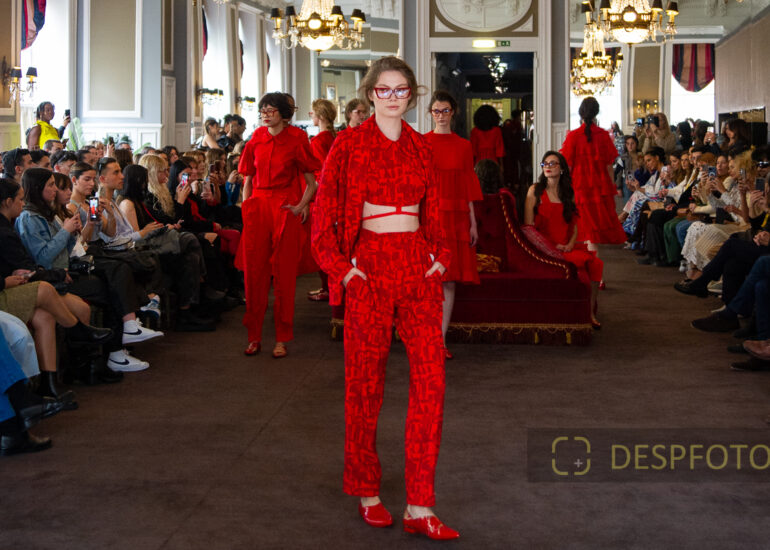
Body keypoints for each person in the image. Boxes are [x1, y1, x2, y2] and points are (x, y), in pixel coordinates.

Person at [312, 55, 459, 540]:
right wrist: (343, 271)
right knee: (364, 385)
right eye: (384, 89)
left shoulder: (420, 146)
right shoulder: (348, 145)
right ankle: (367, 491)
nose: (393, 97)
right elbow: (323, 216)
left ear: (412, 95)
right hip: (369, 268)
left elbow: (435, 210)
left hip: (417, 266)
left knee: (432, 384)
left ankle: (421, 503)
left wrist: (439, 257)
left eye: (401, 90)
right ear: (370, 93)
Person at [236, 93, 320, 358]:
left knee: (284, 276)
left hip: (284, 209)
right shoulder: (255, 139)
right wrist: (247, 208)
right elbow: (248, 179)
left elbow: (312, 182)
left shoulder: (297, 139)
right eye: (263, 110)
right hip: (258, 209)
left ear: (283, 114)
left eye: (270, 110)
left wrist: (300, 205)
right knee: (254, 275)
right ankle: (254, 336)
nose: (265, 114)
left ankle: (282, 337)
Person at [425, 90, 482, 357]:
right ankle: (425, 339)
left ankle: (440, 340)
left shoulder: (463, 146)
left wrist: (473, 223)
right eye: (436, 111)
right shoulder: (422, 143)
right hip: (430, 217)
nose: (441, 115)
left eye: (445, 110)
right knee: (429, 280)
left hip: (457, 217)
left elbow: (468, 186)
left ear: (453, 112)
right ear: (430, 113)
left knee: (448, 281)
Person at [524, 152, 603, 329]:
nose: (548, 167)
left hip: (566, 247)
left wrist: (569, 244)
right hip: (543, 247)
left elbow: (574, 225)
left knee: (596, 264)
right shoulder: (535, 190)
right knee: (582, 265)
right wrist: (551, 247)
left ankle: (590, 313)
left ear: (562, 169)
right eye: (545, 164)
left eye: (553, 163)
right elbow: (528, 228)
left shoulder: (568, 192)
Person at [560, 97, 626, 246]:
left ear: (580, 113)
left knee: (583, 226)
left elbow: (567, 165)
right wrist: (611, 187)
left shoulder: (573, 136)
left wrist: (565, 186)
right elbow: (609, 166)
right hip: (600, 186)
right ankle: (592, 257)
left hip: (579, 185)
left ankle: (589, 257)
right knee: (594, 229)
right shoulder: (603, 135)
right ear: (596, 113)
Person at [306, 98, 338, 301]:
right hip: (335, 195)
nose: (311, 116)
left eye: (312, 113)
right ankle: (329, 287)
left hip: (322, 197)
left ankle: (327, 288)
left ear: (320, 115)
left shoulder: (318, 141)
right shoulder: (335, 137)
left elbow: (321, 173)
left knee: (321, 245)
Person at [470, 104, 504, 168]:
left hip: (479, 160)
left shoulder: (475, 131)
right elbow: (499, 150)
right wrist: (502, 165)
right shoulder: (496, 130)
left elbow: (473, 151)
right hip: (493, 159)